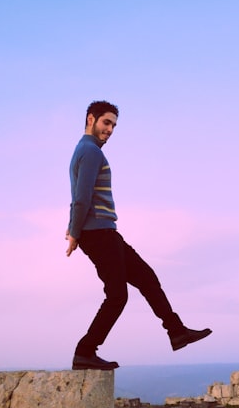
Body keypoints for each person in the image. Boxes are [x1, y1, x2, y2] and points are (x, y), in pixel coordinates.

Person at [66, 100, 211, 370]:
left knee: (146, 277)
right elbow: (81, 198)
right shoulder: (90, 151)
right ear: (90, 119)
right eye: (105, 122)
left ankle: (176, 332)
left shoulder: (85, 151)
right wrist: (75, 232)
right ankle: (85, 351)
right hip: (98, 233)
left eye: (113, 125)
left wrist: (73, 227)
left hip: (104, 232)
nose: (110, 129)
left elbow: (79, 196)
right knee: (117, 295)